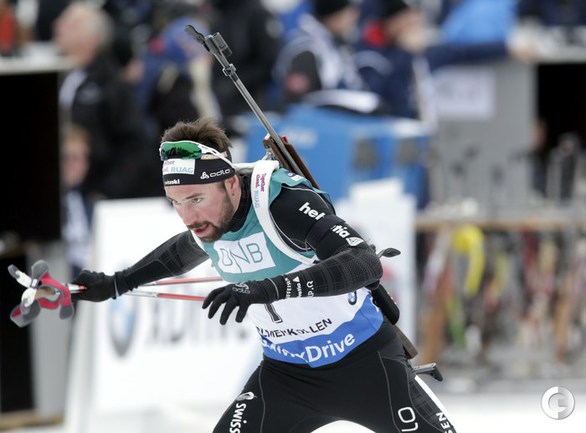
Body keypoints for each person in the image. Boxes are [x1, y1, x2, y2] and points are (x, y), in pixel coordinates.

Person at [70, 116, 458, 432]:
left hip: (365, 365)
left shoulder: (280, 202)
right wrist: (116, 283)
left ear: (230, 183)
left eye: (196, 200)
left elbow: (363, 262)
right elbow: (181, 252)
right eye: (176, 203)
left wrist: (266, 289)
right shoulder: (211, 221)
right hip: (287, 377)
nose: (188, 217)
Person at [53, 1, 160, 202]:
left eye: (71, 24)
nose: (58, 26)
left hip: (97, 194)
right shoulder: (61, 76)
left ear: (91, 38)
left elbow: (135, 146)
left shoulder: (111, 85)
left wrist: (106, 192)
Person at [355, 0, 534, 121]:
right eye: (407, 23)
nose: (413, 29)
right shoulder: (369, 58)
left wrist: (506, 48)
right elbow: (390, 100)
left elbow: (463, 51)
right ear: (391, 23)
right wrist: (405, 54)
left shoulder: (425, 53)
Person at [273, 0, 378, 109]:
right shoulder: (307, 51)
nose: (354, 18)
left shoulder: (337, 45)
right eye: (349, 13)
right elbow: (295, 105)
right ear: (334, 16)